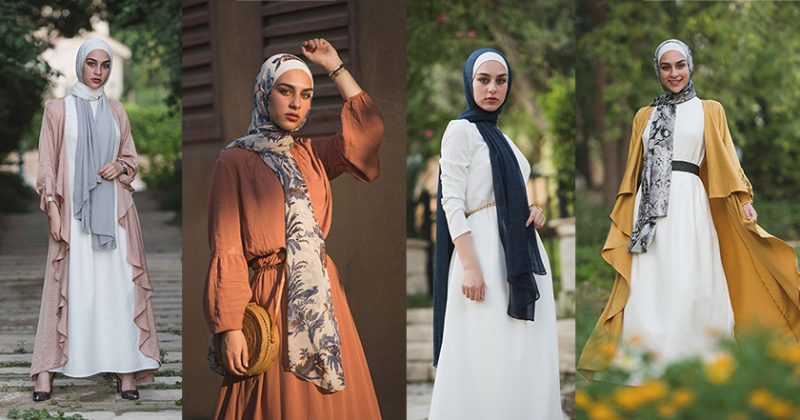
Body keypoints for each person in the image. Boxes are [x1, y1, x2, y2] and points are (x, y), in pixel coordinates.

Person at [578, 39, 800, 381]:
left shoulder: (710, 110)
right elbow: (634, 170)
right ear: (657, 71)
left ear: (690, 66)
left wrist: (744, 200)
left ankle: (702, 359)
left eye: (680, 65)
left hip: (689, 202)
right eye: (666, 67)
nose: (674, 73)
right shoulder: (644, 116)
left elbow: (726, 159)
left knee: (691, 282)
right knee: (650, 283)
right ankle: (647, 363)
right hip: (649, 213)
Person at [203, 38, 383, 419]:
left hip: (323, 299)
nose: (296, 103)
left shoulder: (311, 154)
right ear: (265, 93)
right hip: (271, 299)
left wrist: (334, 66)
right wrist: (230, 327)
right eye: (285, 91)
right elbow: (226, 248)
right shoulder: (233, 160)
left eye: (306, 95)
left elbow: (366, 136)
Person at [429, 48, 563, 420]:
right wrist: (471, 267)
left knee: (521, 348)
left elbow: (507, 194)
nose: (492, 89)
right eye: (483, 80)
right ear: (469, 82)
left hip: (517, 251)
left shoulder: (502, 137)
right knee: (487, 346)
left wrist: (532, 210)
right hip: (483, 254)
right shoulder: (461, 131)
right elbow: (452, 203)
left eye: (501, 81)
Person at [31, 38, 161, 402]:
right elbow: (46, 165)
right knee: (66, 288)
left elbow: (130, 158)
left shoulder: (117, 111)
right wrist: (53, 210)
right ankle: (46, 370)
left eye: (105, 65)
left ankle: (126, 368)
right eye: (92, 63)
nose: (98, 72)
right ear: (80, 65)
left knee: (118, 287)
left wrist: (119, 165)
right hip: (72, 215)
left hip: (115, 215)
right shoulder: (57, 110)